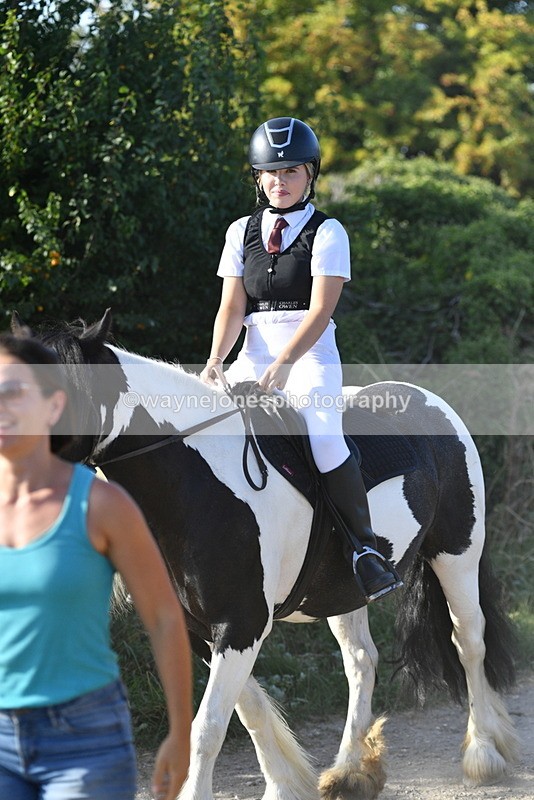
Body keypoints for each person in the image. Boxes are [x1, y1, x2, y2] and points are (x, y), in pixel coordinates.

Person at [200, 116, 402, 603]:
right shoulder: (240, 232)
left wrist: (287, 362)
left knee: (325, 437)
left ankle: (364, 551)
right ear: (257, 177)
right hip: (252, 354)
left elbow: (320, 311)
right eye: (271, 172)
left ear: (310, 174)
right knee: (205, 424)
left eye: (291, 171)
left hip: (310, 357)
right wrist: (215, 361)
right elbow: (232, 308)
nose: (280, 181)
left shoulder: (328, 232)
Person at [0, 330, 192, 800]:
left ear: (54, 406)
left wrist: (181, 733)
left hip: (84, 739)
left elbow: (165, 618)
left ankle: (357, 545)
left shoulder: (103, 505)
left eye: (12, 391)